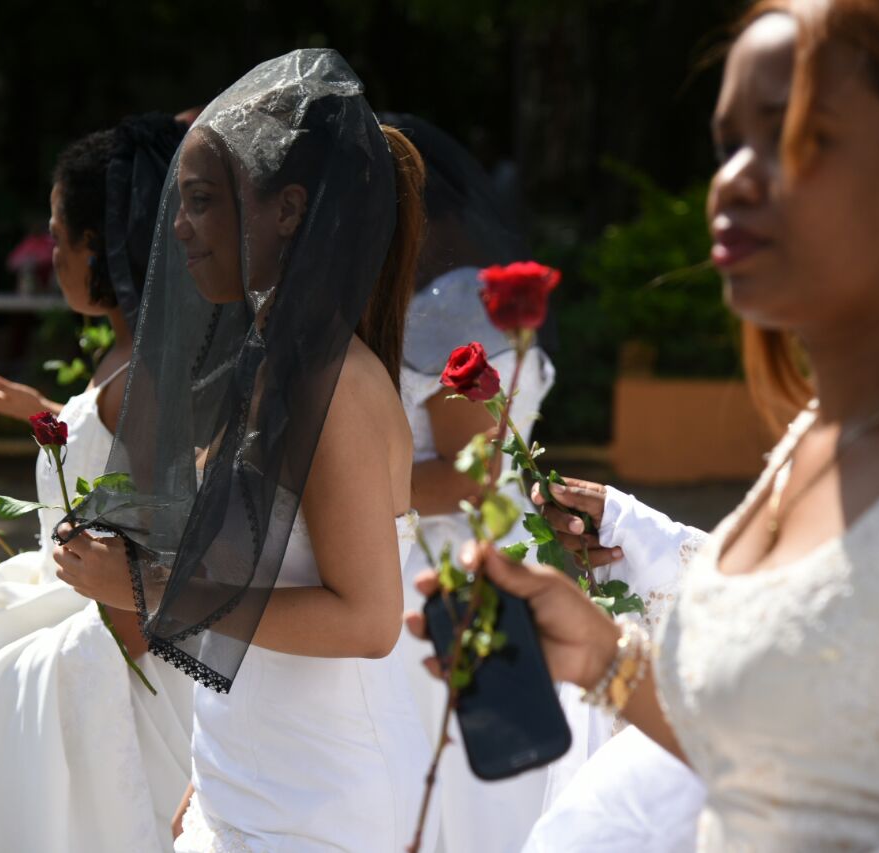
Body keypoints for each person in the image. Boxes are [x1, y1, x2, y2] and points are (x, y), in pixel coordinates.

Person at [409, 0, 879, 849]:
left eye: (800, 136)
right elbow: (787, 776)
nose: (735, 179)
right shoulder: (820, 438)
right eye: (729, 142)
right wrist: (603, 658)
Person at [52, 50, 435, 851]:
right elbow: (262, 591)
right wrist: (210, 769)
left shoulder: (334, 384)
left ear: (287, 209)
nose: (178, 228)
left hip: (318, 799)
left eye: (200, 201)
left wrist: (146, 588)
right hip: (254, 772)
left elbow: (368, 619)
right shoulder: (272, 359)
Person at [0, 113, 194, 853]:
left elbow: (148, 559)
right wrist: (44, 412)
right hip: (89, 605)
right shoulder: (131, 357)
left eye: (58, 234)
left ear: (98, 245)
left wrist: (57, 678)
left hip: (120, 650)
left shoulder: (145, 376)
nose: (52, 252)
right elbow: (114, 455)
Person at [381, 111, 557, 853]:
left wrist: (334, 486)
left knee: (451, 773)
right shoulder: (472, 293)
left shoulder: (446, 309)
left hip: (446, 565)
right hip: (497, 548)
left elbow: (468, 481)